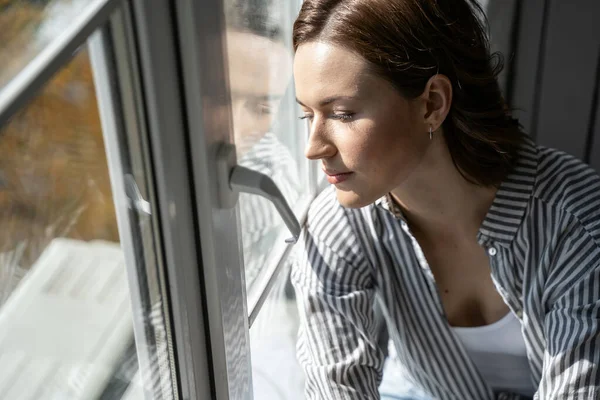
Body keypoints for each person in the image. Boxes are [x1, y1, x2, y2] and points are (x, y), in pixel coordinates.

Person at [290, 0, 600, 399]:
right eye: (306, 116)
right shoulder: (335, 229)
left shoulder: (576, 224)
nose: (313, 148)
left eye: (344, 114)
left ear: (432, 103)